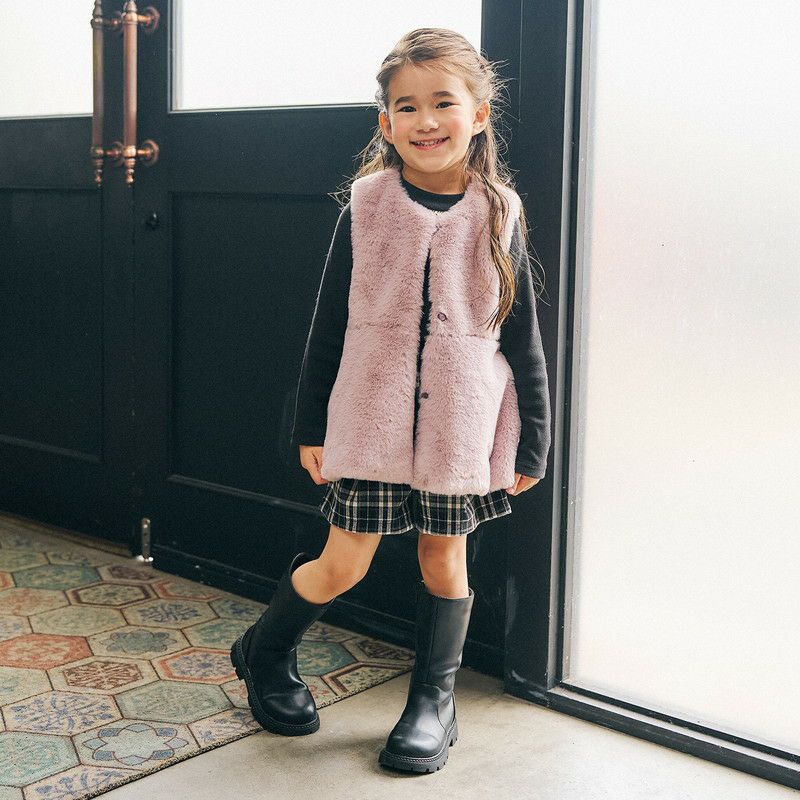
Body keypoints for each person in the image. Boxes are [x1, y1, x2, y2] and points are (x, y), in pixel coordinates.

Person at [230, 27, 551, 774]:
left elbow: (522, 335)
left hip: (460, 429)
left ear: (479, 114)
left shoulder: (498, 211)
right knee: (343, 561)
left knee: (445, 559)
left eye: (443, 102)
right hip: (368, 422)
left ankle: (433, 703)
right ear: (386, 122)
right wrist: (312, 424)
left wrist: (532, 438)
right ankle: (265, 651)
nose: (425, 120)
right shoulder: (367, 206)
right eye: (407, 107)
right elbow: (329, 326)